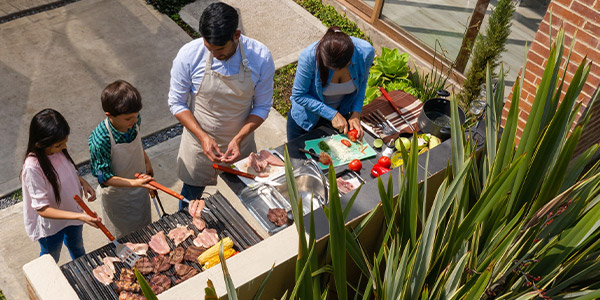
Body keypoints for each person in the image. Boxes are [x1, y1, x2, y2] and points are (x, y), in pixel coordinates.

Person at [168, 2, 275, 210]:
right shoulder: (189, 55)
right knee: (189, 201)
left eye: (220, 49)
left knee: (252, 201)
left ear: (236, 35)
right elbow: (177, 103)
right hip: (199, 145)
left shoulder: (260, 57)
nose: (215, 54)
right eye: (210, 48)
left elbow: (262, 107)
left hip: (240, 143)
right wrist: (203, 137)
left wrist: (239, 138)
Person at [22, 109, 100, 262]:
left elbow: (65, 172)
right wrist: (80, 216)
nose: (64, 147)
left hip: (73, 215)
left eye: (65, 142)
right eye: (59, 145)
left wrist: (82, 182)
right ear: (39, 144)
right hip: (51, 226)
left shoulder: (57, 150)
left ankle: (84, 272)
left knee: (77, 247)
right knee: (50, 258)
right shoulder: (33, 167)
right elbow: (42, 209)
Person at [89, 80, 154, 238]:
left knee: (145, 233)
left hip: (140, 190)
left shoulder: (134, 121)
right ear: (109, 115)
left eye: (135, 116)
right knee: (126, 240)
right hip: (118, 198)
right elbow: (104, 177)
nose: (133, 121)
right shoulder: (100, 140)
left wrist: (147, 162)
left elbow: (137, 144)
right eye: (128, 119)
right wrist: (135, 183)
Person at [287, 26, 375, 141]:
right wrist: (332, 114)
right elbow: (299, 95)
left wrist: (356, 113)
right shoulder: (309, 57)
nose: (337, 72)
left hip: (340, 116)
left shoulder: (365, 52)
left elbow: (362, 83)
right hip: (306, 119)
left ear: (351, 58)